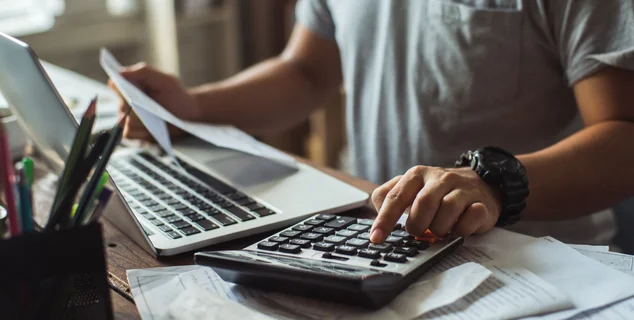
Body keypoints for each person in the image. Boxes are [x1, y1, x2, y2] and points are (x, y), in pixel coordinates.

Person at [112, 0, 634, 246]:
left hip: (535, 267)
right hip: (382, 244)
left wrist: (493, 181)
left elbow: (624, 134)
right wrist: (194, 107)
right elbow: (307, 71)